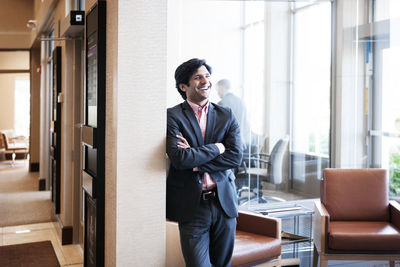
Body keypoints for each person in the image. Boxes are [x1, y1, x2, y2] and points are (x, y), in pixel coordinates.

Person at [166, 58, 243, 267]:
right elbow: (180, 158)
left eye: (207, 76)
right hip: (192, 205)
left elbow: (235, 156)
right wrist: (218, 148)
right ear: (184, 86)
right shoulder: (172, 116)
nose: (205, 81)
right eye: (197, 77)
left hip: (224, 203)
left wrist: (195, 160)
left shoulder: (226, 115)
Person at [216, 79, 251, 150]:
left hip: (229, 144)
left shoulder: (222, 103)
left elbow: (220, 126)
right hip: (242, 142)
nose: (217, 93)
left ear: (221, 87)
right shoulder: (240, 101)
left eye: (217, 89)